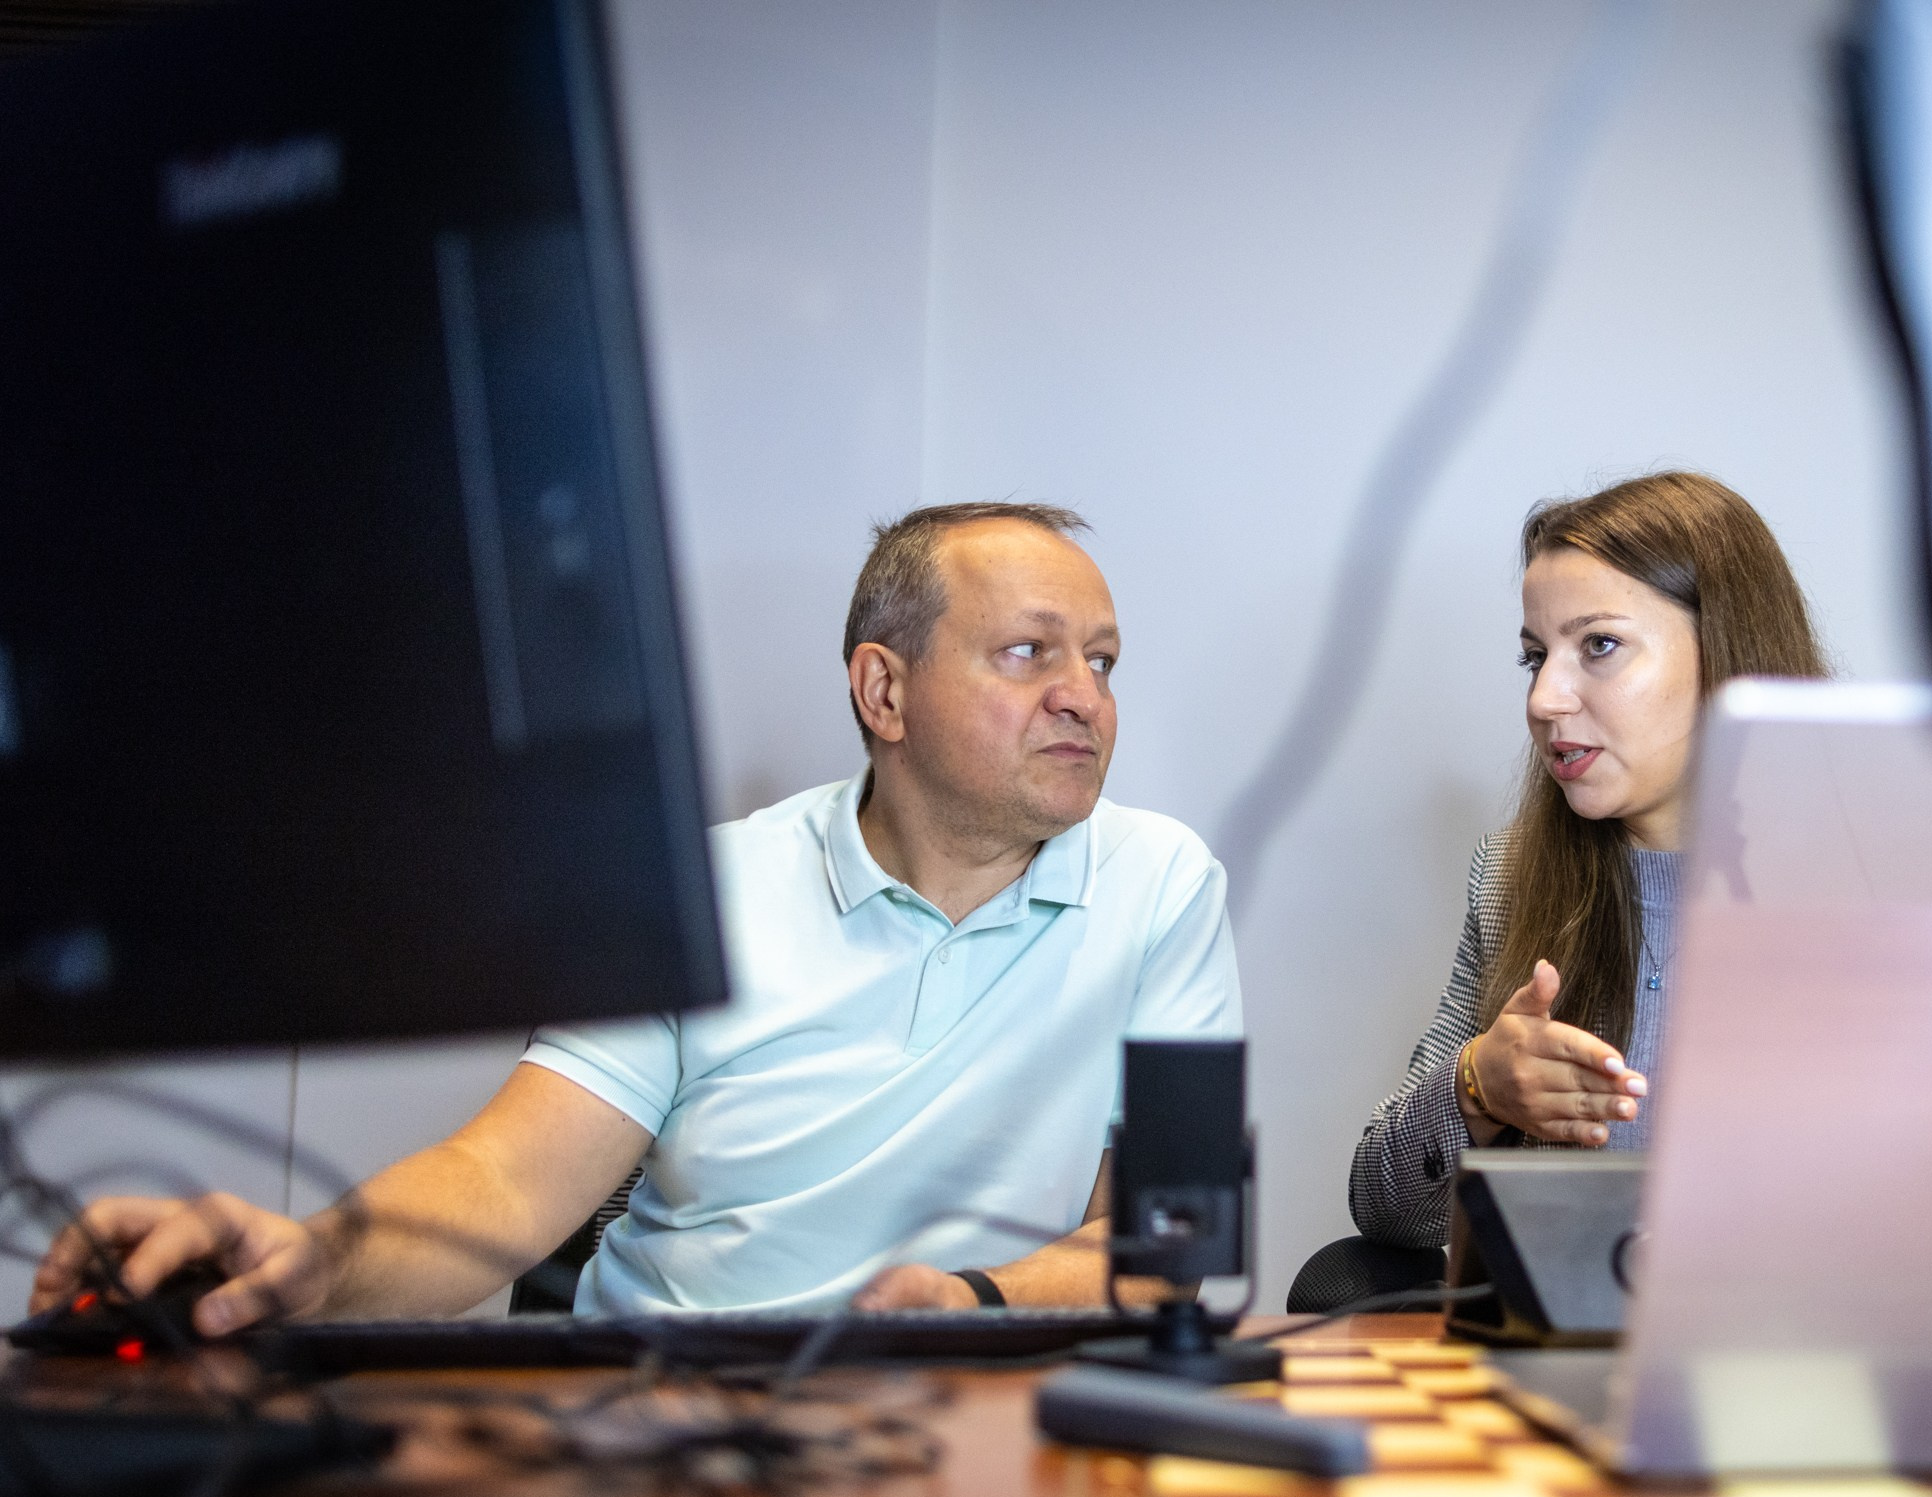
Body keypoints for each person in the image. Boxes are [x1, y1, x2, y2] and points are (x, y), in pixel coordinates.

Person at [30, 503, 1241, 1331]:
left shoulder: (1161, 884)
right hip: (662, 1409)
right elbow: (501, 1182)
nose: (1083, 699)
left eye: (1104, 662)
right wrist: (316, 1258)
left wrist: (972, 1304)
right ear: (885, 689)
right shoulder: (702, 889)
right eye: (1031, 654)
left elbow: (1171, 1241)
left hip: (971, 1419)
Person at [1345, 471, 1825, 1253]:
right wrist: (1479, 1088)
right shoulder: (1509, 881)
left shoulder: (1874, 892)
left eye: (1598, 646)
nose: (1544, 699)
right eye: (1536, 657)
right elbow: (1384, 1212)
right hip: (1560, 1357)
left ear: (1728, 653)